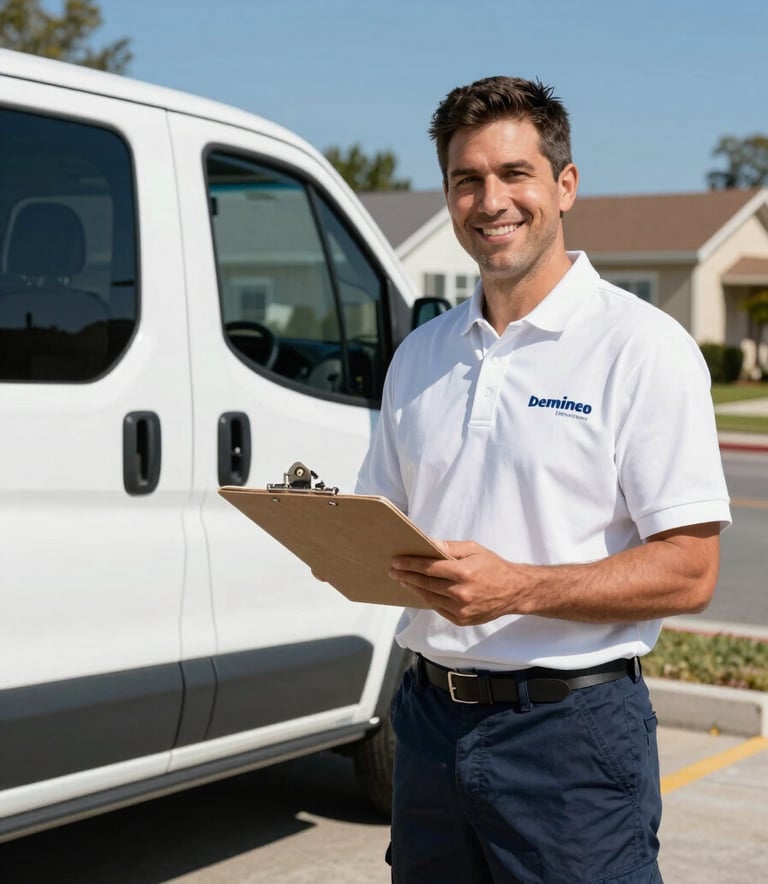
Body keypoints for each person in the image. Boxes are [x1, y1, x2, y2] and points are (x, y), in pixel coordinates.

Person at [355, 75, 731, 884]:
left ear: (564, 185)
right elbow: (385, 522)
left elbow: (691, 571)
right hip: (426, 726)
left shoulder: (642, 348)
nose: (491, 201)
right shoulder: (421, 356)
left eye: (514, 173)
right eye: (467, 179)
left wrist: (517, 588)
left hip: (570, 740)